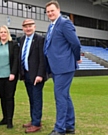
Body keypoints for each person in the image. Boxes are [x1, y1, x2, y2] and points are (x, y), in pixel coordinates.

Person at [44, 1, 81, 135]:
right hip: (56, 66)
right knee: (65, 96)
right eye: (48, 12)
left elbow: (75, 43)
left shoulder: (64, 23)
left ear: (58, 10)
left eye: (52, 10)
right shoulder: (51, 26)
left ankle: (60, 129)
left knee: (60, 97)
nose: (50, 13)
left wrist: (76, 58)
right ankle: (69, 125)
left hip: (64, 66)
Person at [19, 19, 47, 133]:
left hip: (37, 76)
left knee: (37, 99)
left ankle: (36, 124)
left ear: (34, 27)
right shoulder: (21, 39)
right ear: (23, 28)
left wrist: (40, 74)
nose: (28, 28)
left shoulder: (40, 39)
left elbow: (43, 58)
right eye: (26, 26)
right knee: (31, 99)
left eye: (30, 26)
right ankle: (34, 119)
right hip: (26, 74)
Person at [0, 25, 19, 129]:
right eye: (1, 32)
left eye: (5, 32)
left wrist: (13, 73)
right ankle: (5, 118)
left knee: (9, 98)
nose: (3, 34)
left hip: (10, 77)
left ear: (8, 33)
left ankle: (10, 120)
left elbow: (16, 60)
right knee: (2, 98)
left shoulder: (13, 45)